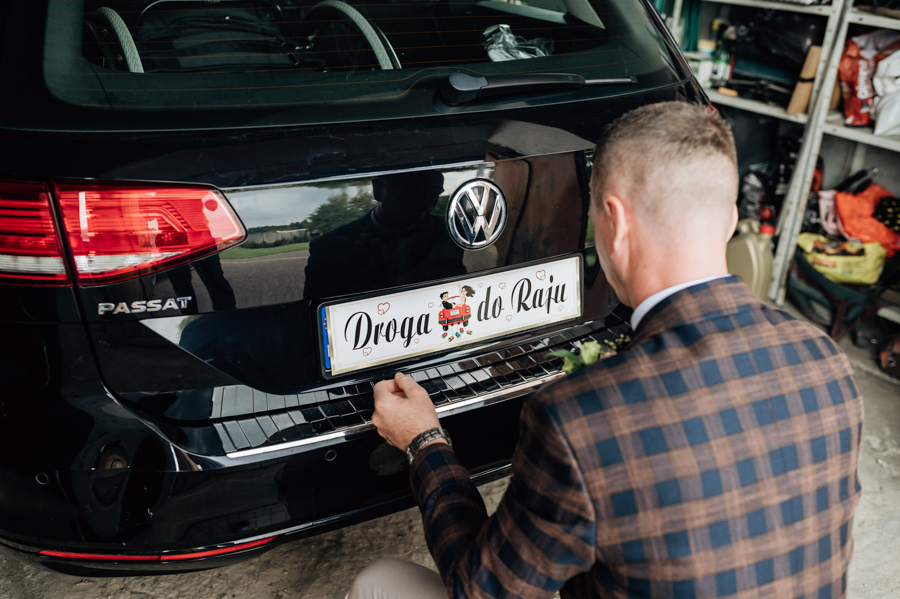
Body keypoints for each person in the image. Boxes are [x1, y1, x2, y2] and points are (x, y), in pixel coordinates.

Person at [349, 102, 864, 599]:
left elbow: (480, 590)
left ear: (614, 221)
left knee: (379, 580)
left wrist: (424, 441)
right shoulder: (824, 359)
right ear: (729, 219)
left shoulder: (580, 418)